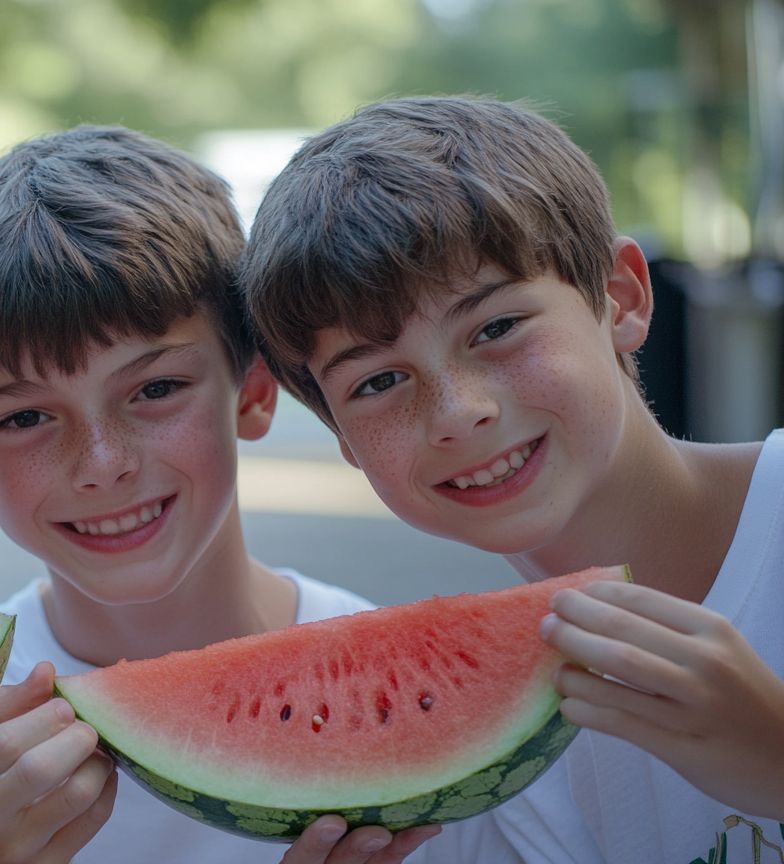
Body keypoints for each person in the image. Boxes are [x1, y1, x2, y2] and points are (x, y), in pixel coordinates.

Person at [240, 94, 784, 863]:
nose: (456, 414)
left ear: (620, 299)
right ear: (345, 441)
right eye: (377, 383)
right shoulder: (466, 777)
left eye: (496, 328)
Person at [0, 124, 442, 864]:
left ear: (252, 395)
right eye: (24, 417)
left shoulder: (413, 708)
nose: (102, 463)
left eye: (155, 389)